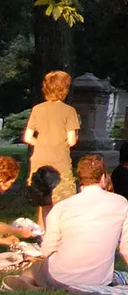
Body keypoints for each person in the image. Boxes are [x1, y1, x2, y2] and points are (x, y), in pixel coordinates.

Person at [4, 154, 128, 292]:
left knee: (33, 270)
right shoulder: (121, 204)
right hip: (100, 280)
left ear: (80, 179)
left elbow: (48, 249)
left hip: (61, 277)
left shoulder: (61, 208)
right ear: (103, 178)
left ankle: (33, 286)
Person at [22, 69, 80, 204]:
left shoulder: (37, 109)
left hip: (39, 159)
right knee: (62, 201)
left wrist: (42, 143)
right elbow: (71, 141)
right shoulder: (69, 111)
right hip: (60, 160)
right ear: (64, 89)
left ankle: (42, 225)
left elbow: (28, 138)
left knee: (42, 202)